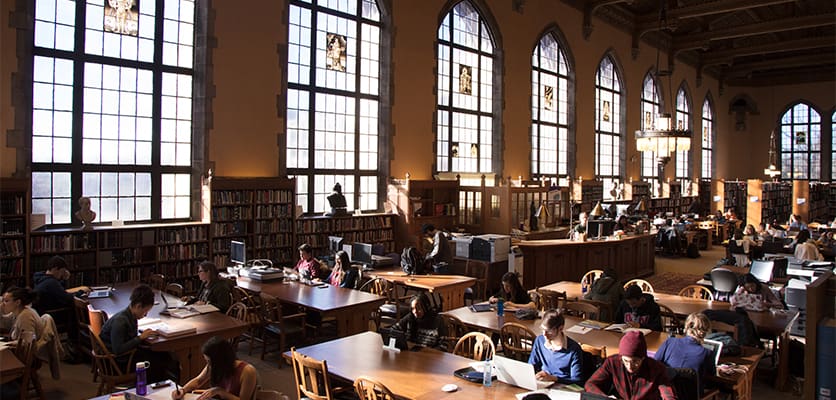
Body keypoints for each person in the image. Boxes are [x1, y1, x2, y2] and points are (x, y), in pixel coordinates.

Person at [99, 285, 171, 382]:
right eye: (145, 311)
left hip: (123, 356)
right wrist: (140, 338)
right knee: (158, 361)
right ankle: (151, 389)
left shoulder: (129, 315)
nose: (145, 315)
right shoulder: (120, 321)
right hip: (116, 363)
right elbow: (118, 350)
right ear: (138, 306)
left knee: (163, 355)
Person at [585, 331, 676, 400]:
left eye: (635, 361)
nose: (630, 366)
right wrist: (605, 398)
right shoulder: (612, 362)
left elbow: (668, 393)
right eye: (626, 361)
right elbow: (590, 384)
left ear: (643, 358)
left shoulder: (656, 368)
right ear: (621, 357)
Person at [171, 336, 257, 400]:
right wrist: (183, 390)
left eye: (209, 361)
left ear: (220, 360)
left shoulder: (247, 371)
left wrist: (220, 392)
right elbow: (198, 381)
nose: (208, 365)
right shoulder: (214, 365)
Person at [654, 313, 715, 395]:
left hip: (665, 393)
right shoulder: (706, 353)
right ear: (705, 332)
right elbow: (711, 378)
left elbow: (654, 364)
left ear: (686, 327)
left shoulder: (669, 342)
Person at [32, 256, 90, 329]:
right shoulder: (51, 283)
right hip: (52, 315)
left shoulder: (40, 277)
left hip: (42, 312)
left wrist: (63, 279)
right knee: (78, 309)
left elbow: (60, 291)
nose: (63, 274)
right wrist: (81, 291)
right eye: (62, 271)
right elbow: (67, 298)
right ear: (55, 269)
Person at [528, 310, 583, 384]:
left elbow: (577, 381)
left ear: (560, 328)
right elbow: (531, 366)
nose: (544, 334)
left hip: (563, 386)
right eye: (543, 329)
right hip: (543, 383)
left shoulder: (574, 349)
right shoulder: (540, 341)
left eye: (549, 331)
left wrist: (553, 378)